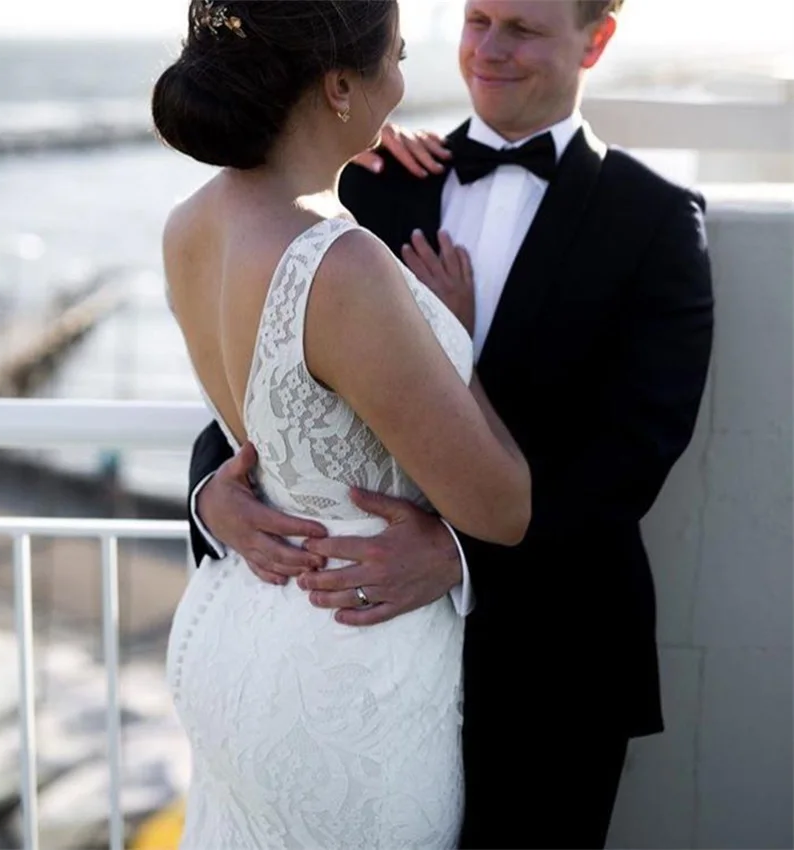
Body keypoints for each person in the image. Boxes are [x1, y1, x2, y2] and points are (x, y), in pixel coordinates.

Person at [189, 1, 715, 848]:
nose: (489, 50)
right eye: (477, 19)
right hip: (356, 667)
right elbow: (260, 383)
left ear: (598, 39)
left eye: (524, 29)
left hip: (554, 665)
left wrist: (457, 554)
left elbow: (633, 457)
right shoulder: (366, 181)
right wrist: (210, 497)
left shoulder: (656, 221)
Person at [154, 1, 531, 847]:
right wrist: (452, 340)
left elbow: (257, 429)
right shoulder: (342, 261)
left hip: (234, 634)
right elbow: (501, 507)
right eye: (394, 59)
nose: (402, 84)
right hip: (344, 682)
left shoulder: (190, 224)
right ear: (337, 87)